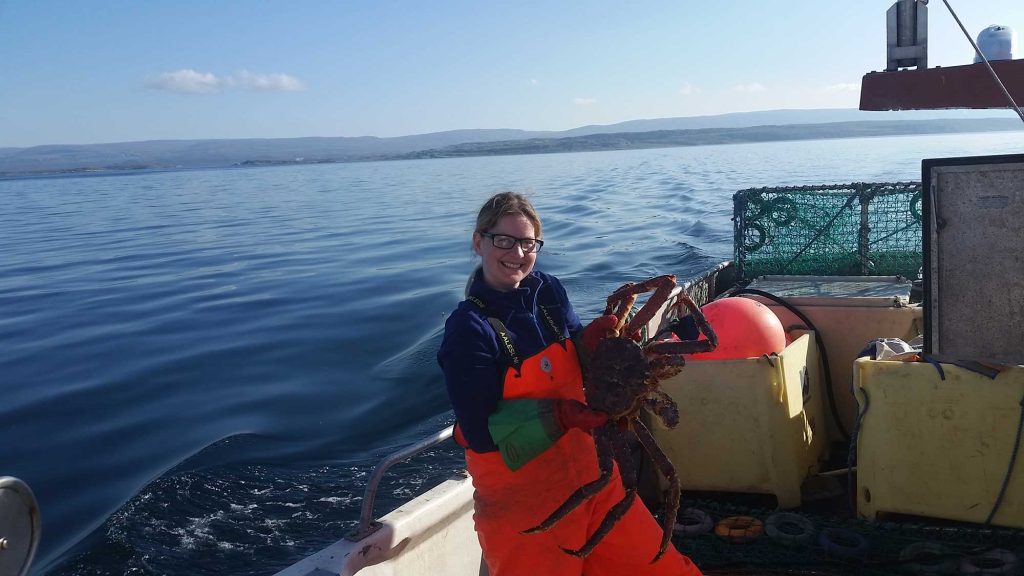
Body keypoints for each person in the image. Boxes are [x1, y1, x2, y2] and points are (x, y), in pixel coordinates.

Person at [437, 192, 703, 576]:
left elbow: (577, 354)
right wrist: (560, 415)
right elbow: (478, 433)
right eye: (503, 240)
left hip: (596, 477)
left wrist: (589, 342)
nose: (517, 252)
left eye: (528, 243)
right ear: (478, 242)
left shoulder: (548, 291)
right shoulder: (468, 329)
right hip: (525, 505)